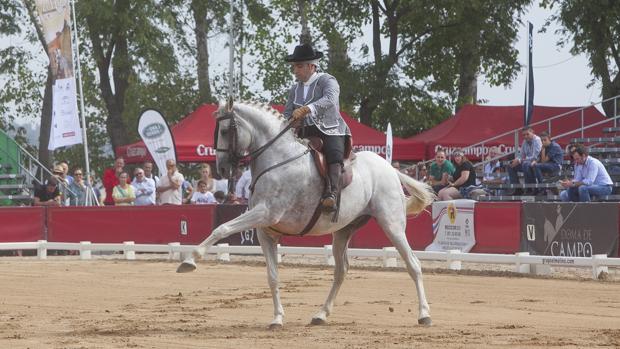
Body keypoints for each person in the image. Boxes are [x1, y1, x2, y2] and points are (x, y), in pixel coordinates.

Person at [283, 43, 351, 212]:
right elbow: (287, 112)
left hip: (330, 129)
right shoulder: (294, 89)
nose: (295, 70)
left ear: (311, 66)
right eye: (294, 66)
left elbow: (330, 100)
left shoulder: (328, 81)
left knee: (334, 153)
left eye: (299, 66)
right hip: (304, 132)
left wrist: (308, 108)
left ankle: (332, 193)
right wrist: (291, 120)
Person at [506, 127, 542, 194]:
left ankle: (531, 188)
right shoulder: (525, 141)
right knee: (510, 165)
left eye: (527, 134)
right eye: (524, 135)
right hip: (527, 162)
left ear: (533, 132)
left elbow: (535, 157)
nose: (525, 136)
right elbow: (521, 155)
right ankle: (517, 189)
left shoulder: (537, 140)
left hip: (537, 163)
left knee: (525, 164)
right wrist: (517, 160)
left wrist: (520, 160)